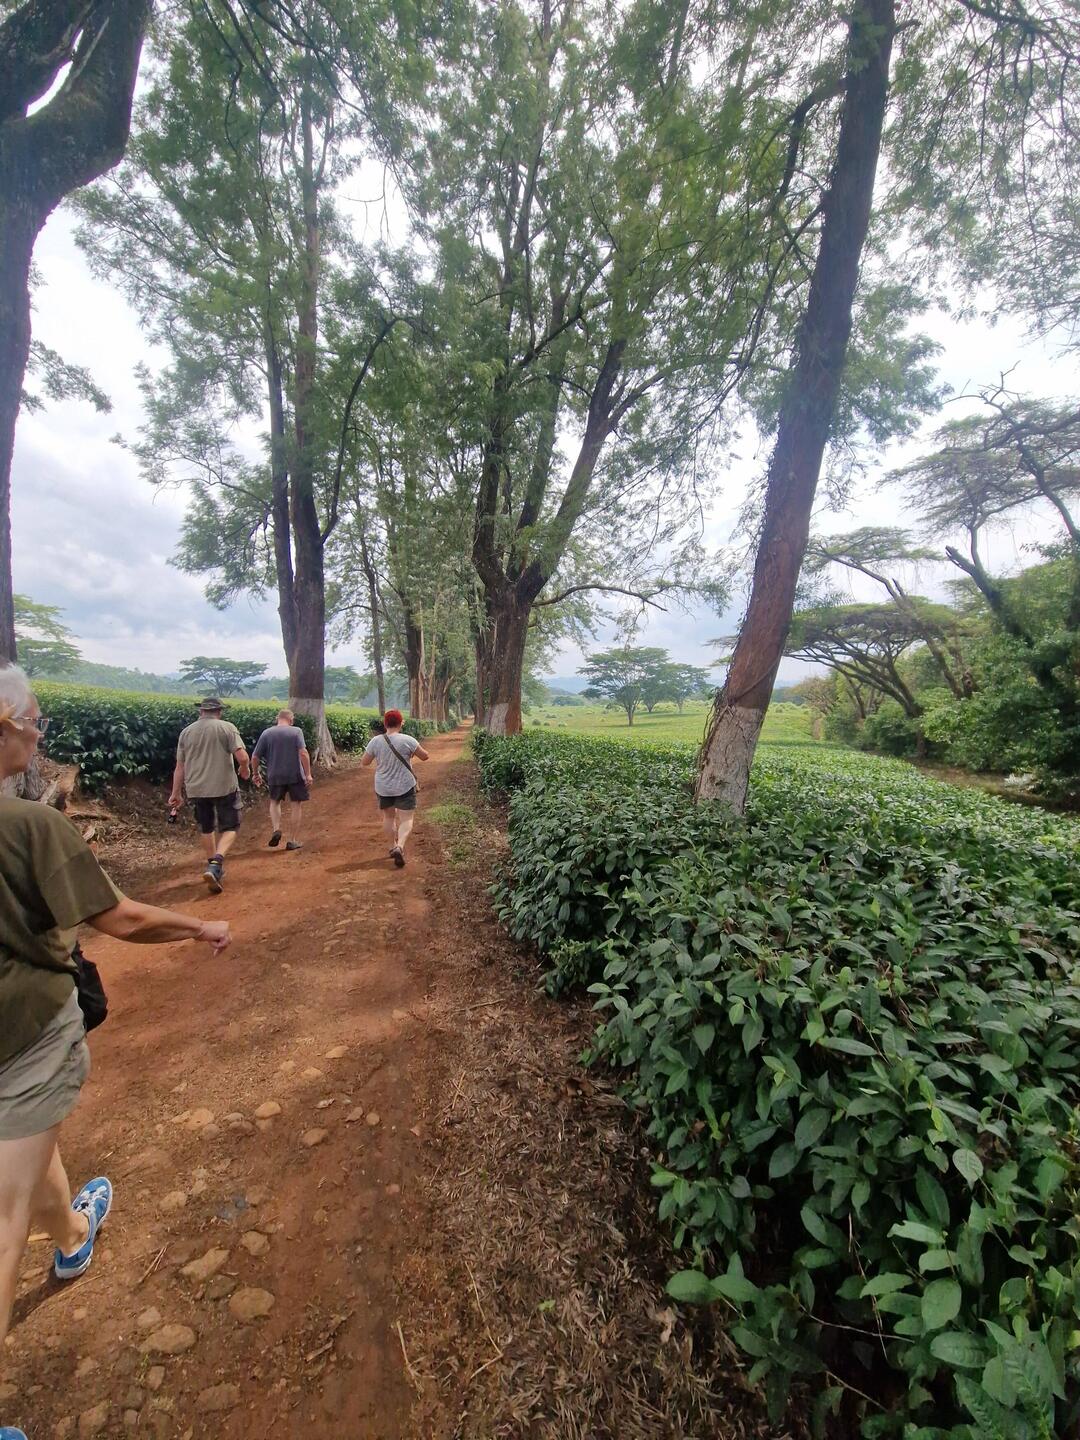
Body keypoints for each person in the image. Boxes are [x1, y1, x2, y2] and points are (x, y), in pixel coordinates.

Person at [0, 666, 230, 1434]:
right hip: (23, 1032)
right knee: (5, 1209)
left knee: (27, 1143)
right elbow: (119, 919)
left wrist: (176, 792)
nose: (41, 731)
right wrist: (200, 927)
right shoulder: (29, 826)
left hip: (18, 1072)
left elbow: (181, 770)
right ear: (6, 725)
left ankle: (72, 1236)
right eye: (35, 718)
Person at [169, 697, 249, 893]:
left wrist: (176, 793)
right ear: (219, 712)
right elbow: (242, 756)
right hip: (224, 787)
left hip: (196, 788)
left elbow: (180, 767)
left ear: (201, 711)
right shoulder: (227, 728)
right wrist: (245, 769)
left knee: (206, 827)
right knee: (231, 826)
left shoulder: (186, 732)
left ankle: (212, 866)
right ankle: (216, 863)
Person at [361, 709, 429, 867]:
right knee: (407, 819)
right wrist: (411, 753)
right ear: (401, 723)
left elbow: (365, 762)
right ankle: (400, 846)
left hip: (383, 787)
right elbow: (425, 756)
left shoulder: (375, 741)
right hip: (405, 785)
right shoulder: (408, 740)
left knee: (389, 817)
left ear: (385, 724)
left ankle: (392, 846)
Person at [251, 709, 313, 852]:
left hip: (274, 775)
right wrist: (308, 774)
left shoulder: (267, 733)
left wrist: (255, 773)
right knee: (296, 804)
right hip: (295, 775)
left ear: (277, 719)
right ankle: (292, 840)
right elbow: (303, 753)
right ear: (291, 720)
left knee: (274, 802)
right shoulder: (296, 731)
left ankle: (276, 829)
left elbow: (255, 757)